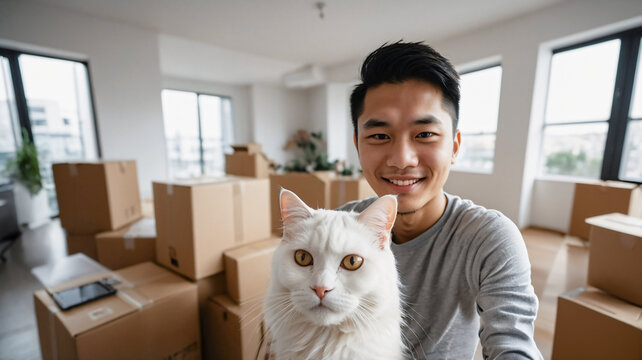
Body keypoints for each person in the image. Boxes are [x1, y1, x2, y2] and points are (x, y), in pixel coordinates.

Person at [339, 41, 543, 359]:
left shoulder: (487, 237)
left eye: (424, 135)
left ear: (455, 146)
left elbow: (511, 343)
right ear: (358, 145)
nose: (402, 159)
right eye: (379, 136)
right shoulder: (340, 227)